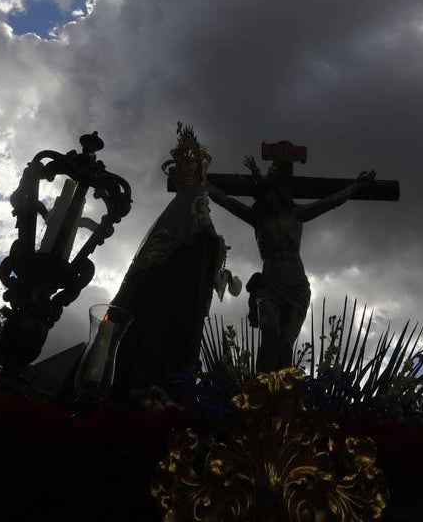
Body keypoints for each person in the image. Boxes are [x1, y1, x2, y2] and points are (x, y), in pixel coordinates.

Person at [208, 151, 375, 372]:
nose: (266, 197)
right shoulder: (257, 218)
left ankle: (284, 400)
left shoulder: (296, 214)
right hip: (269, 285)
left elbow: (330, 202)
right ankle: (260, 394)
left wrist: (355, 186)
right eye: (263, 194)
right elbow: (225, 200)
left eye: (269, 193)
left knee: (285, 346)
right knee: (269, 334)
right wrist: (199, 179)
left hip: (296, 286)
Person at [109, 123, 236, 401]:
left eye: (194, 165)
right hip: (169, 307)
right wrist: (214, 247)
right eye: (185, 167)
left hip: (172, 303)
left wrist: (214, 249)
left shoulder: (192, 205)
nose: (189, 171)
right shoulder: (190, 207)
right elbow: (190, 249)